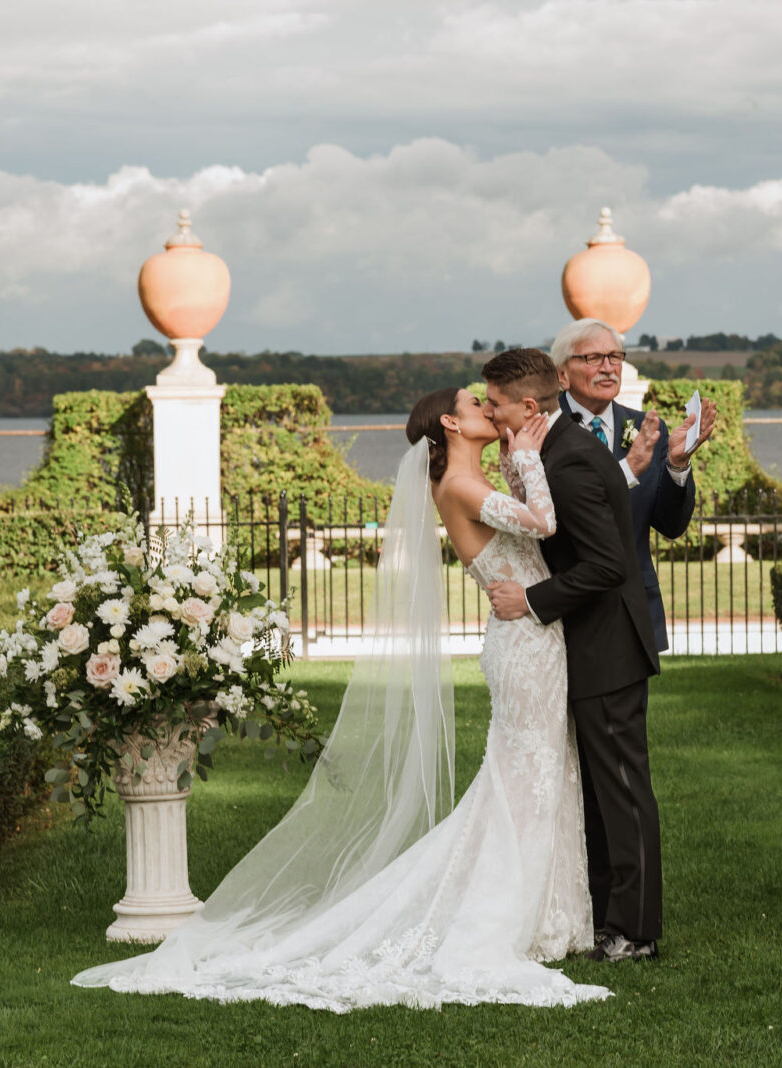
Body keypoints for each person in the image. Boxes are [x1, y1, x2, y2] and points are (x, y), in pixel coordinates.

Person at [71, 383, 608, 1011]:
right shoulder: (461, 486)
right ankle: (506, 918)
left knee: (538, 775)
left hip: (533, 637)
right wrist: (529, 461)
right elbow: (544, 521)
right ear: (451, 424)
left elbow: (540, 530)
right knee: (524, 780)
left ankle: (550, 915)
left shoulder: (474, 479)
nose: (490, 410)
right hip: (523, 645)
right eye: (476, 404)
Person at [482, 348, 664, 963]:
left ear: (527, 407)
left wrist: (531, 599)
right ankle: (608, 918)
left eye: (495, 402)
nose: (488, 410)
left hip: (606, 646)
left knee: (621, 790)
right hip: (584, 646)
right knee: (596, 793)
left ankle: (636, 932)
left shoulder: (571, 462)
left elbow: (608, 565)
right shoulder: (550, 452)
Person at [549, 318, 718, 652]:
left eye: (615, 357)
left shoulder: (647, 428)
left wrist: (677, 464)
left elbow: (671, 526)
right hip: (565, 612)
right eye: (593, 358)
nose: (609, 368)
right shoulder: (544, 430)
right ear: (562, 374)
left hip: (633, 612)